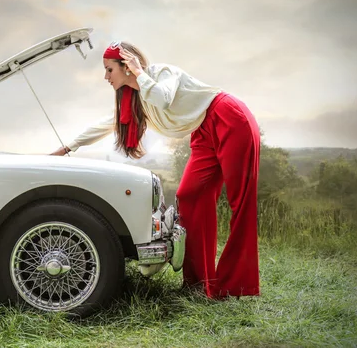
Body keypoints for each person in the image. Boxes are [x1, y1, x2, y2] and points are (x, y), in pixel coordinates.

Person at [50, 41, 261, 299]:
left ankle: (234, 285)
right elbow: (108, 123)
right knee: (190, 197)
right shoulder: (136, 99)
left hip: (228, 116)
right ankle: (199, 282)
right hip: (203, 130)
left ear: (126, 67)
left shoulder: (162, 75)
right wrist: (68, 147)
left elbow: (162, 98)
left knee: (241, 201)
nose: (105, 77)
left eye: (109, 70)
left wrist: (139, 71)